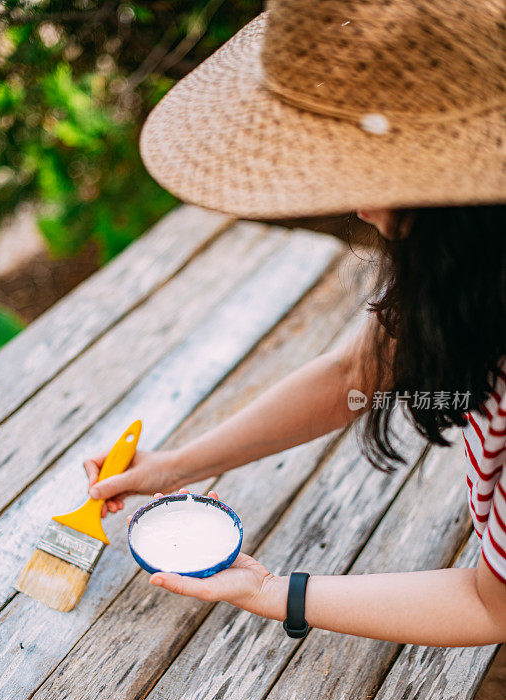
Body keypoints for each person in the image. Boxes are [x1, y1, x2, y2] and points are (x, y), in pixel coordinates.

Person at [84, 0, 506, 647]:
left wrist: (274, 592)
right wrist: (173, 468)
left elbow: (491, 607)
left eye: (375, 174)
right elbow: (354, 374)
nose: (359, 206)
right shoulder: (463, 254)